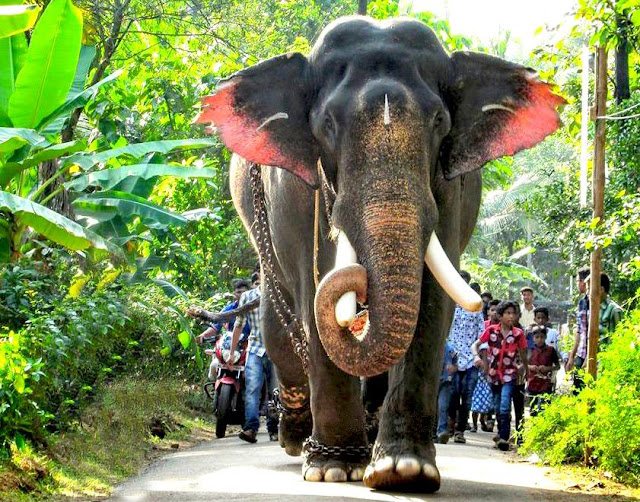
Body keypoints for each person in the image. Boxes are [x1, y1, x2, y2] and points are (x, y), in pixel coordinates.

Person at [228, 271, 279, 443]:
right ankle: (250, 428)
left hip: (276, 350)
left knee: (276, 393)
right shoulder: (247, 297)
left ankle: (275, 429)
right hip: (255, 349)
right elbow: (239, 324)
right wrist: (231, 353)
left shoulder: (278, 293)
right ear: (258, 278)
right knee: (252, 389)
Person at [472, 300, 528, 451]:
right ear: (501, 315)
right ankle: (501, 435)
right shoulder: (491, 331)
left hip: (510, 374)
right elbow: (475, 345)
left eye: (513, 313)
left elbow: (523, 353)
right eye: (508, 313)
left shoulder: (518, 334)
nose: (511, 316)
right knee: (497, 407)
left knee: (504, 405)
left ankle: (504, 437)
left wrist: (525, 369)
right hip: (493, 375)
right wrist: (476, 357)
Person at [446, 270, 485, 444]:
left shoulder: (476, 308)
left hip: (471, 359)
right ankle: (450, 424)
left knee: (467, 396)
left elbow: (482, 334)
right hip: (453, 358)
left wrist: (479, 355)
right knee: (453, 393)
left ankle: (460, 430)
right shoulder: (449, 307)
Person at [195, 279, 252, 344]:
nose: (242, 294)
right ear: (234, 294)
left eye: (244, 292)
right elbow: (216, 327)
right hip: (232, 344)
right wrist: (202, 336)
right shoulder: (229, 309)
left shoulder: (255, 307)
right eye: (239, 292)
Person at [527, 325, 560, 416]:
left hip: (546, 382)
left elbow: (557, 366)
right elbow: (524, 364)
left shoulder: (550, 350)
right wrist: (531, 367)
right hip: (532, 382)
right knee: (533, 408)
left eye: (542, 337)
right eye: (537, 337)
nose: (539, 339)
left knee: (544, 407)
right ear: (533, 338)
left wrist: (547, 368)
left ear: (545, 337)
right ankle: (534, 426)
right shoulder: (530, 350)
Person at [566, 267, 590, 389]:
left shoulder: (597, 302)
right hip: (581, 352)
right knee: (577, 390)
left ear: (583, 282)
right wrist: (572, 356)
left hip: (594, 355)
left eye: (577, 281)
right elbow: (580, 331)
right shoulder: (582, 303)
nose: (577, 284)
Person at [436, 342, 458, 444]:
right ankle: (431, 431)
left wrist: (453, 368)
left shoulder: (450, 349)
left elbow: (456, 365)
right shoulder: (430, 346)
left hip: (445, 381)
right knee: (432, 406)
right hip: (432, 382)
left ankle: (441, 431)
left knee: (443, 406)